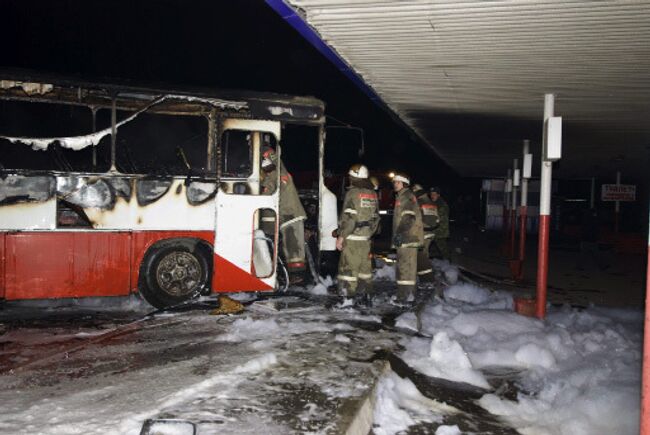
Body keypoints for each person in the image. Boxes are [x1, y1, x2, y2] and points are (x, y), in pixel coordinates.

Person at [334, 164, 380, 305]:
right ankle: (367, 297)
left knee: (348, 268)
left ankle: (347, 299)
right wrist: (368, 233)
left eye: (350, 177)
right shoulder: (372, 193)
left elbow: (350, 218)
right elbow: (377, 218)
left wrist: (341, 236)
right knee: (364, 270)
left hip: (352, 238)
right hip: (365, 239)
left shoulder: (352, 193)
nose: (349, 179)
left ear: (354, 177)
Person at [261, 147, 307, 283]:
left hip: (290, 215)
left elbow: (266, 193)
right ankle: (295, 275)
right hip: (289, 215)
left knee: (294, 249)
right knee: (290, 246)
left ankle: (298, 277)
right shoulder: (280, 172)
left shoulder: (275, 175)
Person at [391, 173, 424, 303]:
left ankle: (406, 297)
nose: (395, 184)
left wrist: (399, 234)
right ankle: (404, 295)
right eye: (394, 182)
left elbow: (408, 218)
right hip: (406, 239)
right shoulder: (403, 196)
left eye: (397, 182)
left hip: (408, 239)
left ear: (404, 184)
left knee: (406, 269)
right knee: (404, 268)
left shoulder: (406, 196)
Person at [412, 184, 437, 284]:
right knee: (425, 254)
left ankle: (426, 278)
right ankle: (426, 274)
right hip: (431, 232)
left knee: (420, 256)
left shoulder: (418, 202)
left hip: (422, 232)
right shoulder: (431, 203)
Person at [429, 186, 450, 260]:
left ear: (438, 195)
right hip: (433, 230)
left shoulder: (442, 205)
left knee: (443, 249)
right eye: (431, 194)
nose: (432, 196)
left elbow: (438, 218)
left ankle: (448, 265)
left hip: (440, 231)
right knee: (425, 246)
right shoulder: (432, 203)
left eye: (434, 194)